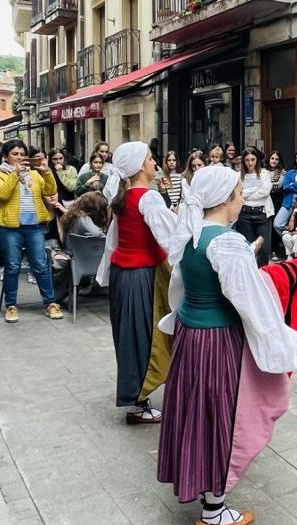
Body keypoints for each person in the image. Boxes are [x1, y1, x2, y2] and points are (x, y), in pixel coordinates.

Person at [155, 165, 297, 525]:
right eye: (240, 192)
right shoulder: (226, 242)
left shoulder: (193, 235)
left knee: (200, 413)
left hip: (191, 337)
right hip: (216, 341)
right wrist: (280, 345)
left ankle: (204, 490)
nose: (243, 197)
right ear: (227, 198)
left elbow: (182, 288)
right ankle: (213, 511)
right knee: (223, 418)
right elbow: (252, 303)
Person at [95, 141, 178, 424]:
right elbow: (171, 237)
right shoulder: (149, 198)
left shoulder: (123, 197)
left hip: (124, 274)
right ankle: (137, 404)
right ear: (141, 165)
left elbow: (113, 241)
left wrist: (105, 274)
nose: (155, 163)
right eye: (152, 159)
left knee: (130, 335)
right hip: (142, 275)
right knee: (146, 335)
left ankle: (137, 398)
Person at [0, 139, 64, 322]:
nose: (19, 157)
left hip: (35, 226)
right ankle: (11, 306)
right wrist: (15, 174)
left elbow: (51, 191)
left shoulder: (35, 174)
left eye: (22, 154)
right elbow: (2, 194)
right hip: (9, 228)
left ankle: (50, 303)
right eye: (15, 154)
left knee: (40, 265)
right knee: (12, 266)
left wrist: (46, 172)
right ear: (5, 156)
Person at [53, 192, 109, 306]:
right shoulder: (82, 217)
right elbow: (97, 234)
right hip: (79, 260)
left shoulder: (74, 215)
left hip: (75, 257)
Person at [233, 147, 274, 266]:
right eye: (247, 160)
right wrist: (254, 190)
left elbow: (265, 192)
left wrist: (246, 193)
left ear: (257, 160)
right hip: (244, 214)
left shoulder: (264, 174)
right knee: (247, 248)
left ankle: (262, 276)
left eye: (253, 159)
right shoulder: (238, 176)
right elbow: (237, 193)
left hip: (262, 213)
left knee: (264, 249)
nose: (250, 163)